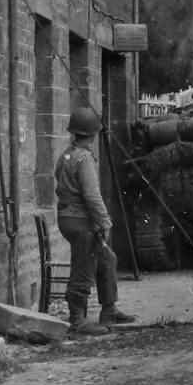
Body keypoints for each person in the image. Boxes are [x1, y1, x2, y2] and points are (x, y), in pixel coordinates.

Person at [56, 106, 135, 333]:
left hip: (69, 219)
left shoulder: (66, 156)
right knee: (84, 266)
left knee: (107, 259)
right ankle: (77, 321)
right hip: (81, 222)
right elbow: (91, 195)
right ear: (93, 134)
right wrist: (105, 222)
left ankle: (109, 311)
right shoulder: (84, 159)